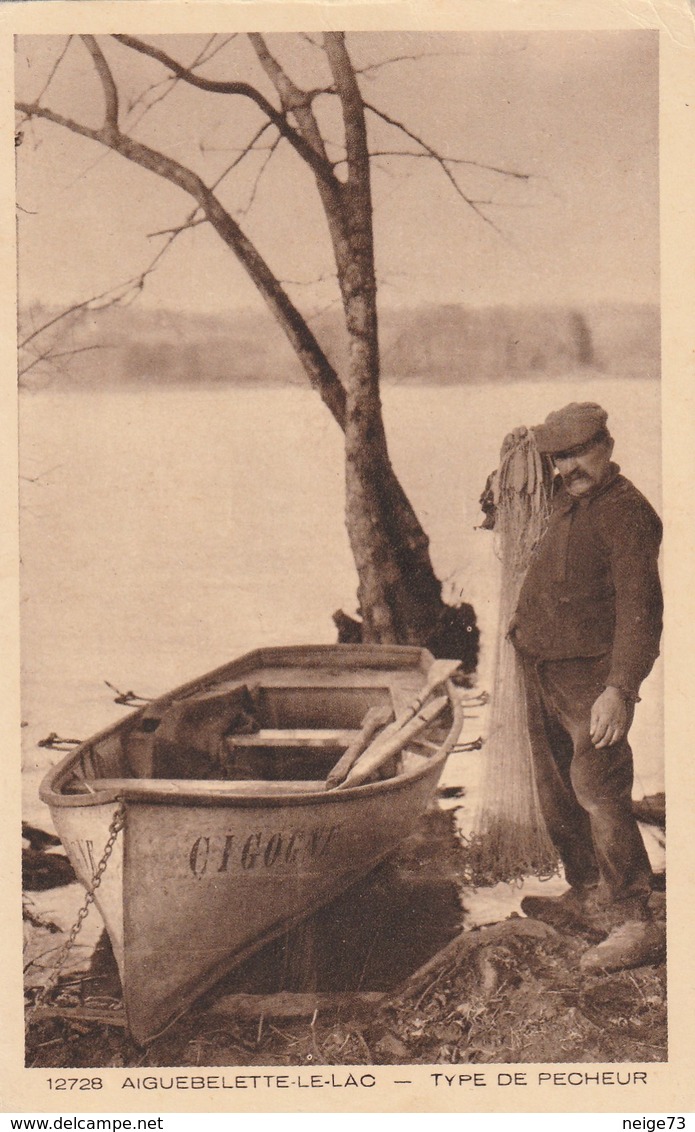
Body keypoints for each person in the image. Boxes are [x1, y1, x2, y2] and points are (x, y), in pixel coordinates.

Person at [507, 402, 664, 972]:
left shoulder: (627, 514)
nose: (569, 467)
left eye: (580, 453)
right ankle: (584, 888)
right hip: (541, 667)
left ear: (608, 445)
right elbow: (499, 505)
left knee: (600, 791)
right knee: (556, 790)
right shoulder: (560, 501)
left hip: (591, 678)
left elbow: (642, 611)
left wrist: (620, 689)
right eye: (560, 457)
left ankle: (633, 918)